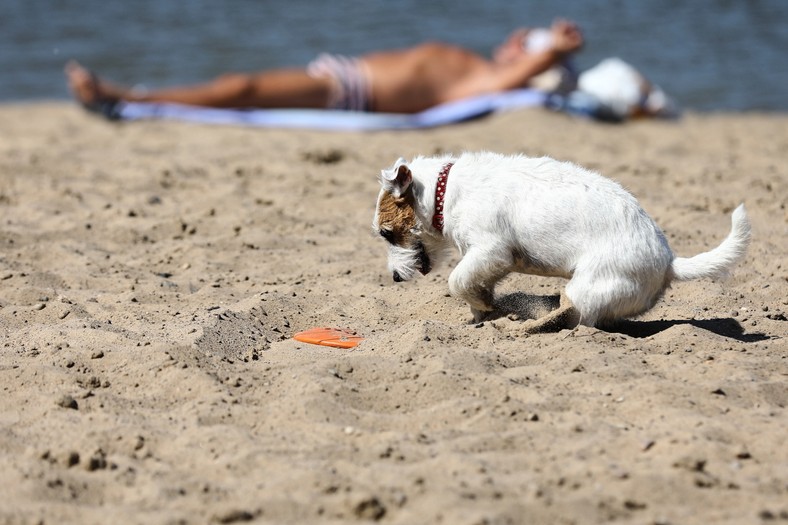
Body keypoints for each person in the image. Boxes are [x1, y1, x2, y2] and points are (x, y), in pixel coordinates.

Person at [65, 19, 584, 115]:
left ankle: (124, 97)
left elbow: (511, 79)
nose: (514, 42)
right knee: (240, 84)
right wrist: (540, 48)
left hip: (349, 92)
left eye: (524, 45)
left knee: (240, 86)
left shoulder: (488, 79)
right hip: (343, 78)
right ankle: (128, 96)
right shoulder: (477, 64)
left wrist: (554, 51)